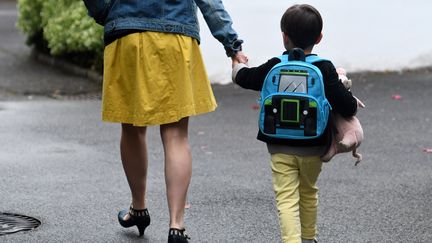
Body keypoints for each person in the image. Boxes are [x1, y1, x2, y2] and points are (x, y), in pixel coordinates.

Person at [83, 1, 247, 242]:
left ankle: (138, 208)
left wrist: (107, 13)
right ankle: (176, 226)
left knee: (132, 128)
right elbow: (209, 2)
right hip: (176, 36)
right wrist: (232, 46)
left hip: (128, 34)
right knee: (176, 135)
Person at [231, 4, 358, 243]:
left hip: (278, 144)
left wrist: (236, 64)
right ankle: (309, 238)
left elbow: (245, 78)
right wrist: (344, 85)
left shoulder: (274, 65)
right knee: (308, 192)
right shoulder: (324, 68)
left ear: (284, 36)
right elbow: (348, 106)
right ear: (319, 38)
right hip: (314, 143)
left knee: (286, 198)